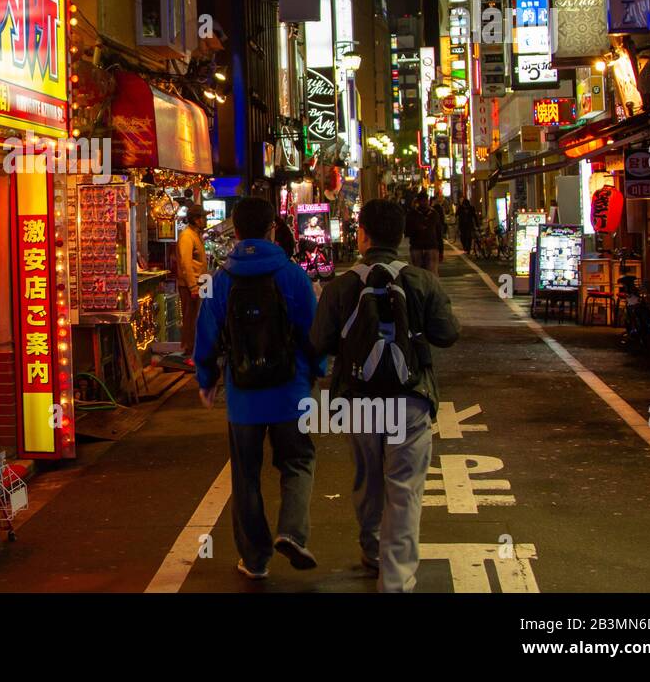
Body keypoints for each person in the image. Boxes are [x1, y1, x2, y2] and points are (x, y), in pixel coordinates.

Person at [310, 198, 461, 592]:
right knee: (405, 488)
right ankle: (395, 580)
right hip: (410, 397)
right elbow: (447, 334)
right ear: (401, 237)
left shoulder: (341, 286)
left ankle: (372, 548)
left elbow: (318, 342)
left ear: (362, 235)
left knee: (367, 480)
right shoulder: (422, 281)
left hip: (359, 400)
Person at [193, 197, 325, 579]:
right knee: (298, 462)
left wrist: (207, 381)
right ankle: (292, 532)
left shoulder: (220, 280)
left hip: (244, 399)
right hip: (290, 393)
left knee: (246, 475)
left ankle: (255, 559)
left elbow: (206, 336)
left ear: (235, 232)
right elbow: (312, 334)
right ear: (273, 229)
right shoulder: (293, 276)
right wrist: (316, 370)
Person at [176, 202, 208, 357]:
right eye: (203, 217)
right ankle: (189, 351)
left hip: (201, 282)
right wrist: (193, 287)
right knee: (190, 319)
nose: (205, 220)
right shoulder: (187, 236)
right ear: (196, 219)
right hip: (191, 285)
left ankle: (196, 349)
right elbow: (186, 264)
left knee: (198, 318)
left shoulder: (196, 235)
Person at [405, 191, 445, 275]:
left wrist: (441, 250)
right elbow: (407, 231)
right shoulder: (414, 214)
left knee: (423, 274)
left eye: (426, 200)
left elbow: (439, 233)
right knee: (428, 274)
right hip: (420, 247)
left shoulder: (433, 214)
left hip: (428, 247)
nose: (425, 202)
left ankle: (427, 287)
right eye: (423, 200)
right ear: (418, 202)